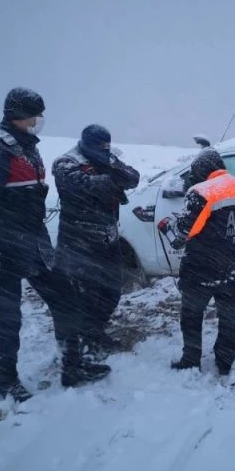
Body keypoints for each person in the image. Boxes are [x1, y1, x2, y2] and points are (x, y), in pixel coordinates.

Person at [0, 87, 110, 401]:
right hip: (4, 249)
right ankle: (7, 381)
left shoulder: (28, 149)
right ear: (18, 116)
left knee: (67, 300)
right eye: (34, 115)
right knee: (8, 319)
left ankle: (72, 367)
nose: (39, 121)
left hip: (34, 245)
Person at [158, 147, 235, 375]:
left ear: (201, 169)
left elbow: (180, 235)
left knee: (191, 314)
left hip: (203, 268)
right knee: (228, 317)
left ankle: (191, 360)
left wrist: (167, 226)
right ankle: (225, 361)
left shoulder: (201, 191)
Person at [52, 124, 140, 360]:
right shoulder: (66, 163)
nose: (105, 150)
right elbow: (86, 187)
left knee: (111, 289)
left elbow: (133, 177)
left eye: (107, 146)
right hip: (78, 240)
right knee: (85, 294)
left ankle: (96, 331)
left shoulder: (108, 158)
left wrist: (113, 171)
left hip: (108, 237)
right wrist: (112, 178)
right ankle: (85, 342)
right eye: (100, 146)